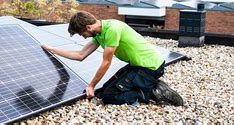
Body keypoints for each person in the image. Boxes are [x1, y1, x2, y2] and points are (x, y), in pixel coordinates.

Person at [41, 11, 183, 106]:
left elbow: (106, 62)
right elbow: (80, 55)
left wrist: (90, 85)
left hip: (151, 67)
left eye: (82, 33)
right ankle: (146, 85)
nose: (83, 37)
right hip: (138, 65)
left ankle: (152, 92)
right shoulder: (99, 33)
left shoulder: (112, 29)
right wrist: (53, 50)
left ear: (89, 27)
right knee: (102, 92)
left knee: (109, 97)